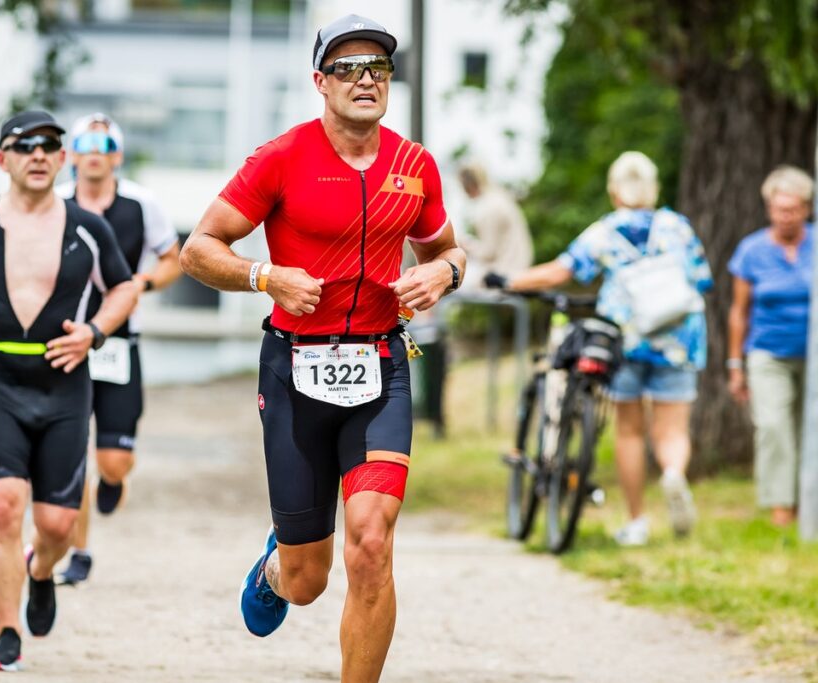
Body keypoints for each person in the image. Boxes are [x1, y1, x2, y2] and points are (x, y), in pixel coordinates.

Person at [180, 14, 465, 681]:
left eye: (378, 68)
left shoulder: (413, 165)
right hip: (294, 370)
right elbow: (198, 249)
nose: (366, 80)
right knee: (309, 578)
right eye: (347, 68)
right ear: (320, 81)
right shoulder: (281, 157)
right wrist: (265, 276)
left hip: (382, 366)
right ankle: (277, 568)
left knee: (372, 540)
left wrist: (442, 273)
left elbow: (450, 249)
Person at [0, 110, 136, 671]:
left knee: (58, 525)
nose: (38, 153)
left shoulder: (88, 226)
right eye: (24, 145)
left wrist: (95, 331)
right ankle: (6, 632)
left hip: (64, 386)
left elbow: (125, 288)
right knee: (4, 507)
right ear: (1, 159)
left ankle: (41, 570)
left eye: (49, 145)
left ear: (62, 159)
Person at [486, 151, 713, 546]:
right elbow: (700, 280)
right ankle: (674, 473)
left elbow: (560, 271)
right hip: (679, 339)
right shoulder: (677, 227)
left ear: (613, 191)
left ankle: (637, 521)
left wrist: (509, 280)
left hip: (625, 338)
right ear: (653, 187)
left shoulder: (607, 231)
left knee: (629, 430)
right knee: (672, 428)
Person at [53, 112, 181, 585]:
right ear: (71, 156)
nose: (93, 154)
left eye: (103, 146)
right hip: (66, 338)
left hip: (120, 342)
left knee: (111, 460)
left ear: (117, 157)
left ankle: (113, 478)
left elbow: (174, 260)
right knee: (70, 455)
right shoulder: (55, 204)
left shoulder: (140, 205)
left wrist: (142, 282)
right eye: (84, 145)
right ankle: (78, 553)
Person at [727, 165, 814, 527]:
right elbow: (739, 311)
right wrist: (735, 364)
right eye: (779, 209)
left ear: (807, 209)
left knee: (809, 429)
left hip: (813, 353)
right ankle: (782, 507)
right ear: (769, 209)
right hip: (768, 352)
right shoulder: (751, 251)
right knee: (775, 427)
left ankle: (810, 502)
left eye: (793, 209)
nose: (786, 216)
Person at [455, 160, 533, 290]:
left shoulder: (489, 207)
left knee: (445, 278)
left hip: (504, 271)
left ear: (469, 184)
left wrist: (466, 246)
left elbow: (488, 253)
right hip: (517, 266)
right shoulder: (499, 198)